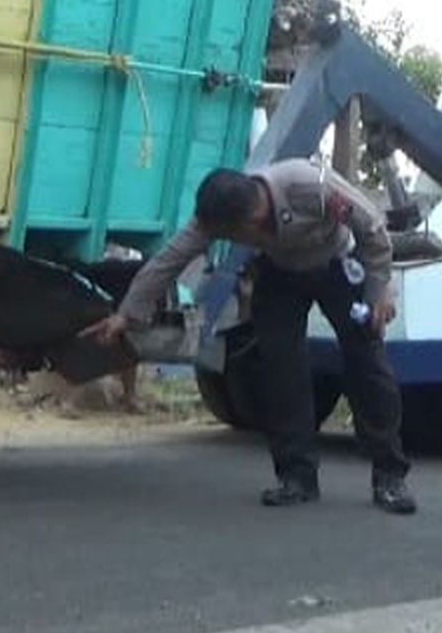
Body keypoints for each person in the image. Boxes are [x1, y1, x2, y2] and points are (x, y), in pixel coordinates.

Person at [81, 159, 416, 513]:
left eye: (231, 237)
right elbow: (171, 258)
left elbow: (372, 226)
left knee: (366, 362)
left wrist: (379, 288)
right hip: (281, 272)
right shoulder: (221, 212)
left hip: (335, 263)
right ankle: (296, 476)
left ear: (249, 222)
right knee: (279, 366)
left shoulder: (309, 186)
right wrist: (126, 314)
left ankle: (390, 476)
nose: (227, 241)